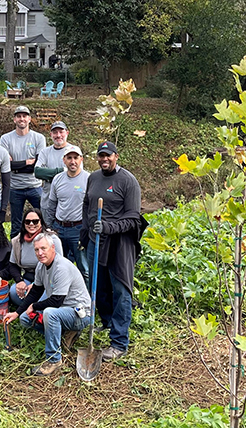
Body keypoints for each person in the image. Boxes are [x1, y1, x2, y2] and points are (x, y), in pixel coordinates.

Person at [81, 141, 146, 362]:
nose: (104, 159)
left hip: (119, 245)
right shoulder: (93, 178)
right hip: (95, 241)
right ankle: (107, 322)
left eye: (108, 155)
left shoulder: (128, 182)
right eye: (101, 156)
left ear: (116, 156)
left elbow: (133, 219)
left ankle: (119, 342)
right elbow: (86, 205)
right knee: (98, 287)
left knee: (121, 290)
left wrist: (108, 227)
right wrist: (85, 229)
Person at [4, 233, 91, 376]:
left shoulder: (61, 267)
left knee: (50, 313)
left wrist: (35, 306)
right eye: (37, 250)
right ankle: (64, 334)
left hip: (80, 313)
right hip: (62, 310)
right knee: (25, 319)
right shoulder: (41, 266)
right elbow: (35, 292)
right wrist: (17, 312)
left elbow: (57, 300)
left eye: (43, 248)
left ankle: (54, 359)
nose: (40, 253)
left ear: (52, 248)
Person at [45, 145, 90, 287]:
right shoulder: (58, 179)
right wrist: (48, 226)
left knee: (84, 268)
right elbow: (51, 205)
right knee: (58, 265)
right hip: (58, 228)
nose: (73, 161)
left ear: (81, 159)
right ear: (64, 160)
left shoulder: (89, 179)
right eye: (69, 158)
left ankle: (88, 301)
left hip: (78, 229)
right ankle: (61, 296)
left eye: (76, 158)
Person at [0, 105, 46, 239]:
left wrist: (16, 166)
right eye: (19, 116)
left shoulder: (39, 138)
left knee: (42, 220)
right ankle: (14, 255)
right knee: (16, 225)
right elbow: (6, 165)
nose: (22, 119)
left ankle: (42, 249)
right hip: (15, 188)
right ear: (14, 119)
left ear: (29, 119)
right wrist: (27, 162)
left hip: (35, 186)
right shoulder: (5, 139)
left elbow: (37, 165)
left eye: (24, 116)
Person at [8, 208, 63, 307]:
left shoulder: (52, 239)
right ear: (23, 223)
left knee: (43, 296)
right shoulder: (18, 241)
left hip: (49, 279)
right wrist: (19, 281)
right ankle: (31, 308)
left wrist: (35, 285)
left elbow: (59, 266)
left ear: (41, 222)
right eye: (28, 221)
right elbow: (12, 265)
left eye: (35, 221)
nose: (31, 224)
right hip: (28, 277)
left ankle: (38, 307)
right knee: (13, 292)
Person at [35, 121, 72, 225]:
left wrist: (48, 175)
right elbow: (37, 172)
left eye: (61, 132)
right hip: (47, 202)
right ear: (51, 134)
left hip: (66, 203)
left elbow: (74, 174)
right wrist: (62, 171)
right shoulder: (45, 152)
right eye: (55, 132)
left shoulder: (73, 151)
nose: (58, 135)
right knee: (48, 233)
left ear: (67, 133)